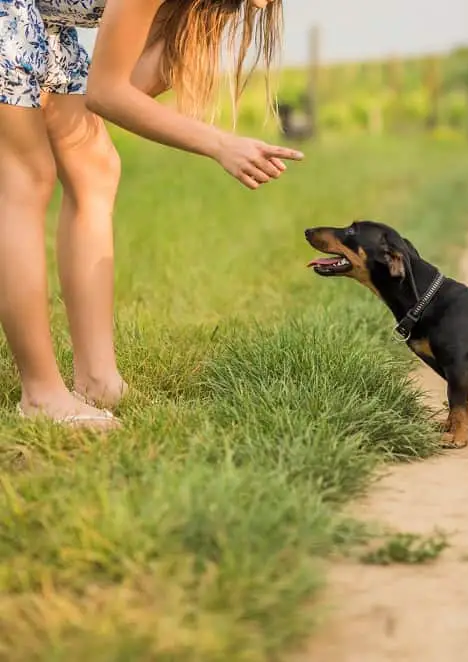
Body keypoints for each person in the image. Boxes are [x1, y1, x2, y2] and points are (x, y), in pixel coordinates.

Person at [0, 0, 303, 429]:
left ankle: (97, 378)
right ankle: (41, 394)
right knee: (27, 177)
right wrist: (219, 144)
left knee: (96, 169)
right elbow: (107, 95)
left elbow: (126, 89)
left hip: (45, 20)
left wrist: (200, 25)